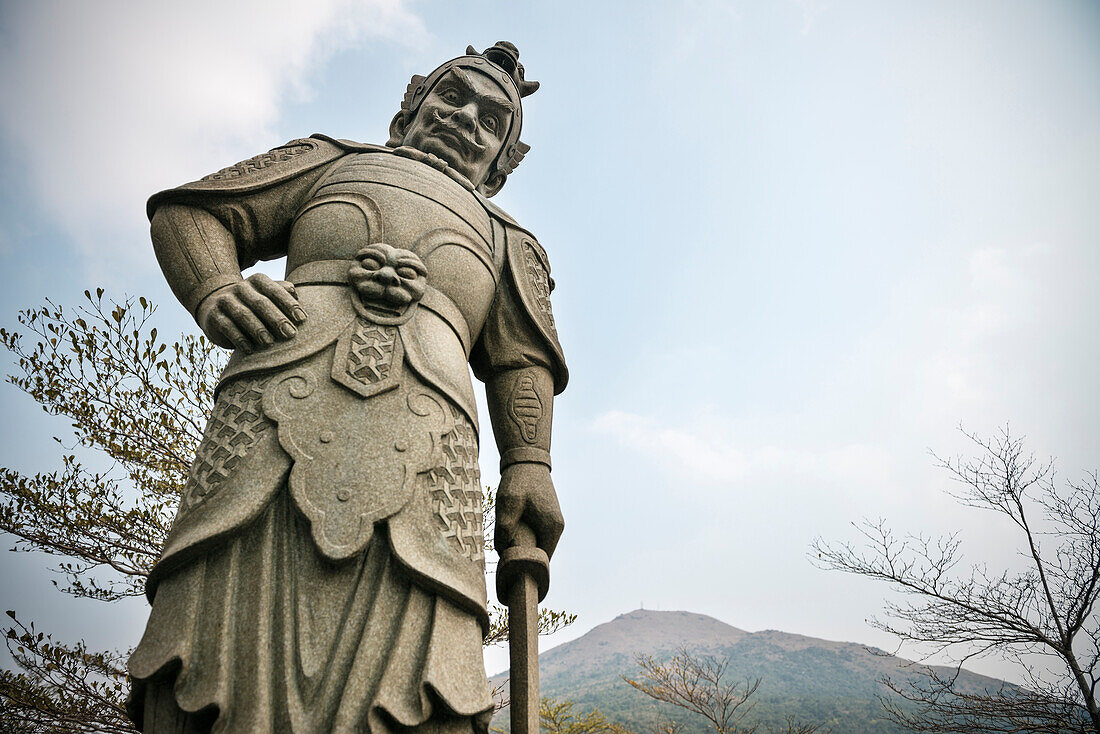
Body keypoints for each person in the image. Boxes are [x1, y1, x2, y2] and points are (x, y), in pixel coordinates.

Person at [127, 41, 566, 734]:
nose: (465, 119)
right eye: (452, 97)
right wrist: (214, 287)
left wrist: (531, 466)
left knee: (427, 677)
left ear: (502, 165)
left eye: (490, 120)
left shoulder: (509, 240)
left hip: (430, 450)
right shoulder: (332, 161)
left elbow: (523, 362)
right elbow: (191, 213)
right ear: (408, 111)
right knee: (210, 646)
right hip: (274, 412)